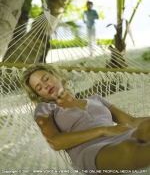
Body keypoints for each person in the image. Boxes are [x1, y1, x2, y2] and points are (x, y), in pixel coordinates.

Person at [20, 63, 150, 175]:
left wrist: (109, 131)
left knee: (146, 128)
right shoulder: (45, 108)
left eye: (46, 79)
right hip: (89, 151)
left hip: (118, 135)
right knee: (128, 149)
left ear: (56, 75)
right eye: (39, 87)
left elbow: (132, 122)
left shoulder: (96, 99)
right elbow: (54, 142)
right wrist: (103, 130)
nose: (45, 86)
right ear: (38, 95)